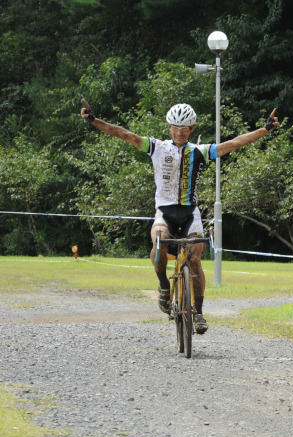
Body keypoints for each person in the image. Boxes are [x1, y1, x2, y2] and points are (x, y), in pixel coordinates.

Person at [80, 100, 279, 334]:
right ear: (169, 128)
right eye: (175, 127)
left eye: (184, 128)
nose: (179, 132)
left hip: (190, 214)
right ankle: (164, 286)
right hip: (164, 212)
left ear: (191, 129)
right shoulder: (155, 147)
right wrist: (94, 121)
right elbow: (124, 134)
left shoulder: (200, 151)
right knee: (158, 241)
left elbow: (234, 143)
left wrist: (264, 130)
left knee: (195, 260)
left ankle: (199, 313)